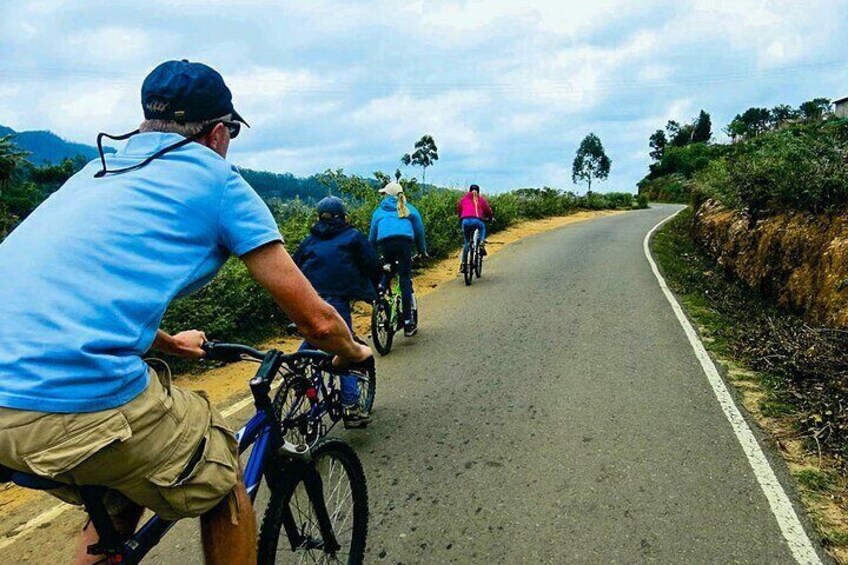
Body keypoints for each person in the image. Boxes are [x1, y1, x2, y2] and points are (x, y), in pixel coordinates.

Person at [0, 60, 370, 565]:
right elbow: (319, 323)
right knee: (222, 476)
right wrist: (354, 352)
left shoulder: (95, 171)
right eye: (233, 132)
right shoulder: (217, 181)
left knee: (121, 490)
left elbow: (80, 300)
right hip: (70, 400)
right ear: (219, 132)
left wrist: (171, 345)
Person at [293, 196, 382, 427]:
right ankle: (351, 407)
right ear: (343, 216)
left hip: (306, 299)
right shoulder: (352, 237)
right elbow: (371, 264)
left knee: (313, 337)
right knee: (346, 347)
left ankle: (298, 370)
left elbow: (293, 265)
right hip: (336, 300)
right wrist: (377, 286)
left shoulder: (309, 241)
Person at [369, 181, 427, 337]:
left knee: (388, 270)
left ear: (387, 195)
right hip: (404, 244)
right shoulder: (410, 210)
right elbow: (419, 233)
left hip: (385, 245)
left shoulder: (378, 212)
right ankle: (408, 323)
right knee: (405, 280)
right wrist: (422, 251)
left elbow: (372, 238)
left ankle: (381, 290)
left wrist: (371, 256)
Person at [457, 183, 494, 269]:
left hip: (465, 221)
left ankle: (463, 264)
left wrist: (460, 217)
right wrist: (490, 218)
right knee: (482, 227)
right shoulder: (480, 199)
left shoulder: (463, 199)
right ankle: (481, 242)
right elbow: (488, 210)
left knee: (466, 242)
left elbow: (459, 209)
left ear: (469, 191)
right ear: (478, 191)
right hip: (477, 220)